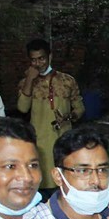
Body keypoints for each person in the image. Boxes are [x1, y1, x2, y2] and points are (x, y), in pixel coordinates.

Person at [17, 39, 83, 190]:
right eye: (33, 60)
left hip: (64, 140)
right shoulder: (26, 83)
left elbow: (79, 109)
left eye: (41, 58)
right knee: (43, 183)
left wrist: (68, 117)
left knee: (66, 182)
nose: (38, 63)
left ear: (50, 57)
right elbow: (22, 108)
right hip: (40, 143)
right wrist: (29, 79)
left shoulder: (67, 81)